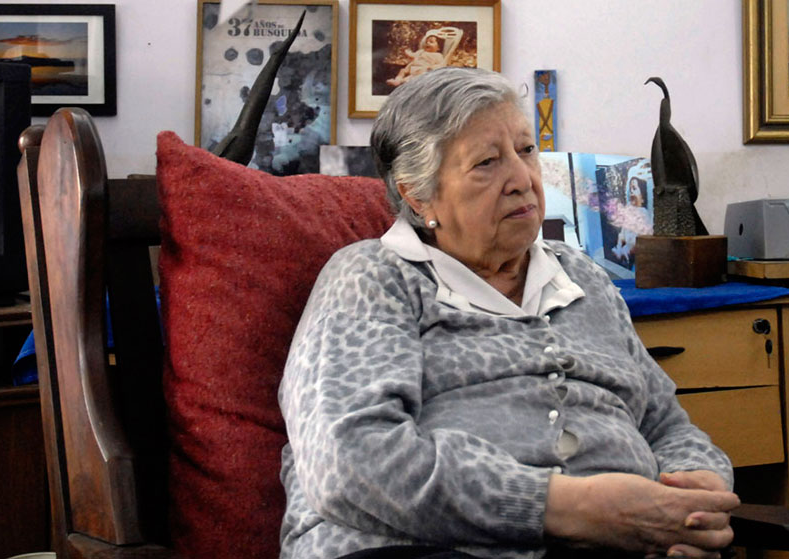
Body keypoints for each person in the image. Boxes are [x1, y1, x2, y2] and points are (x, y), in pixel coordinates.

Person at [279, 67, 739, 559]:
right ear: (418, 193)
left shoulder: (581, 277)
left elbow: (665, 423)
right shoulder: (372, 276)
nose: (522, 180)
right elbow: (346, 460)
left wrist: (695, 496)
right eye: (486, 163)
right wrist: (569, 508)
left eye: (525, 151)